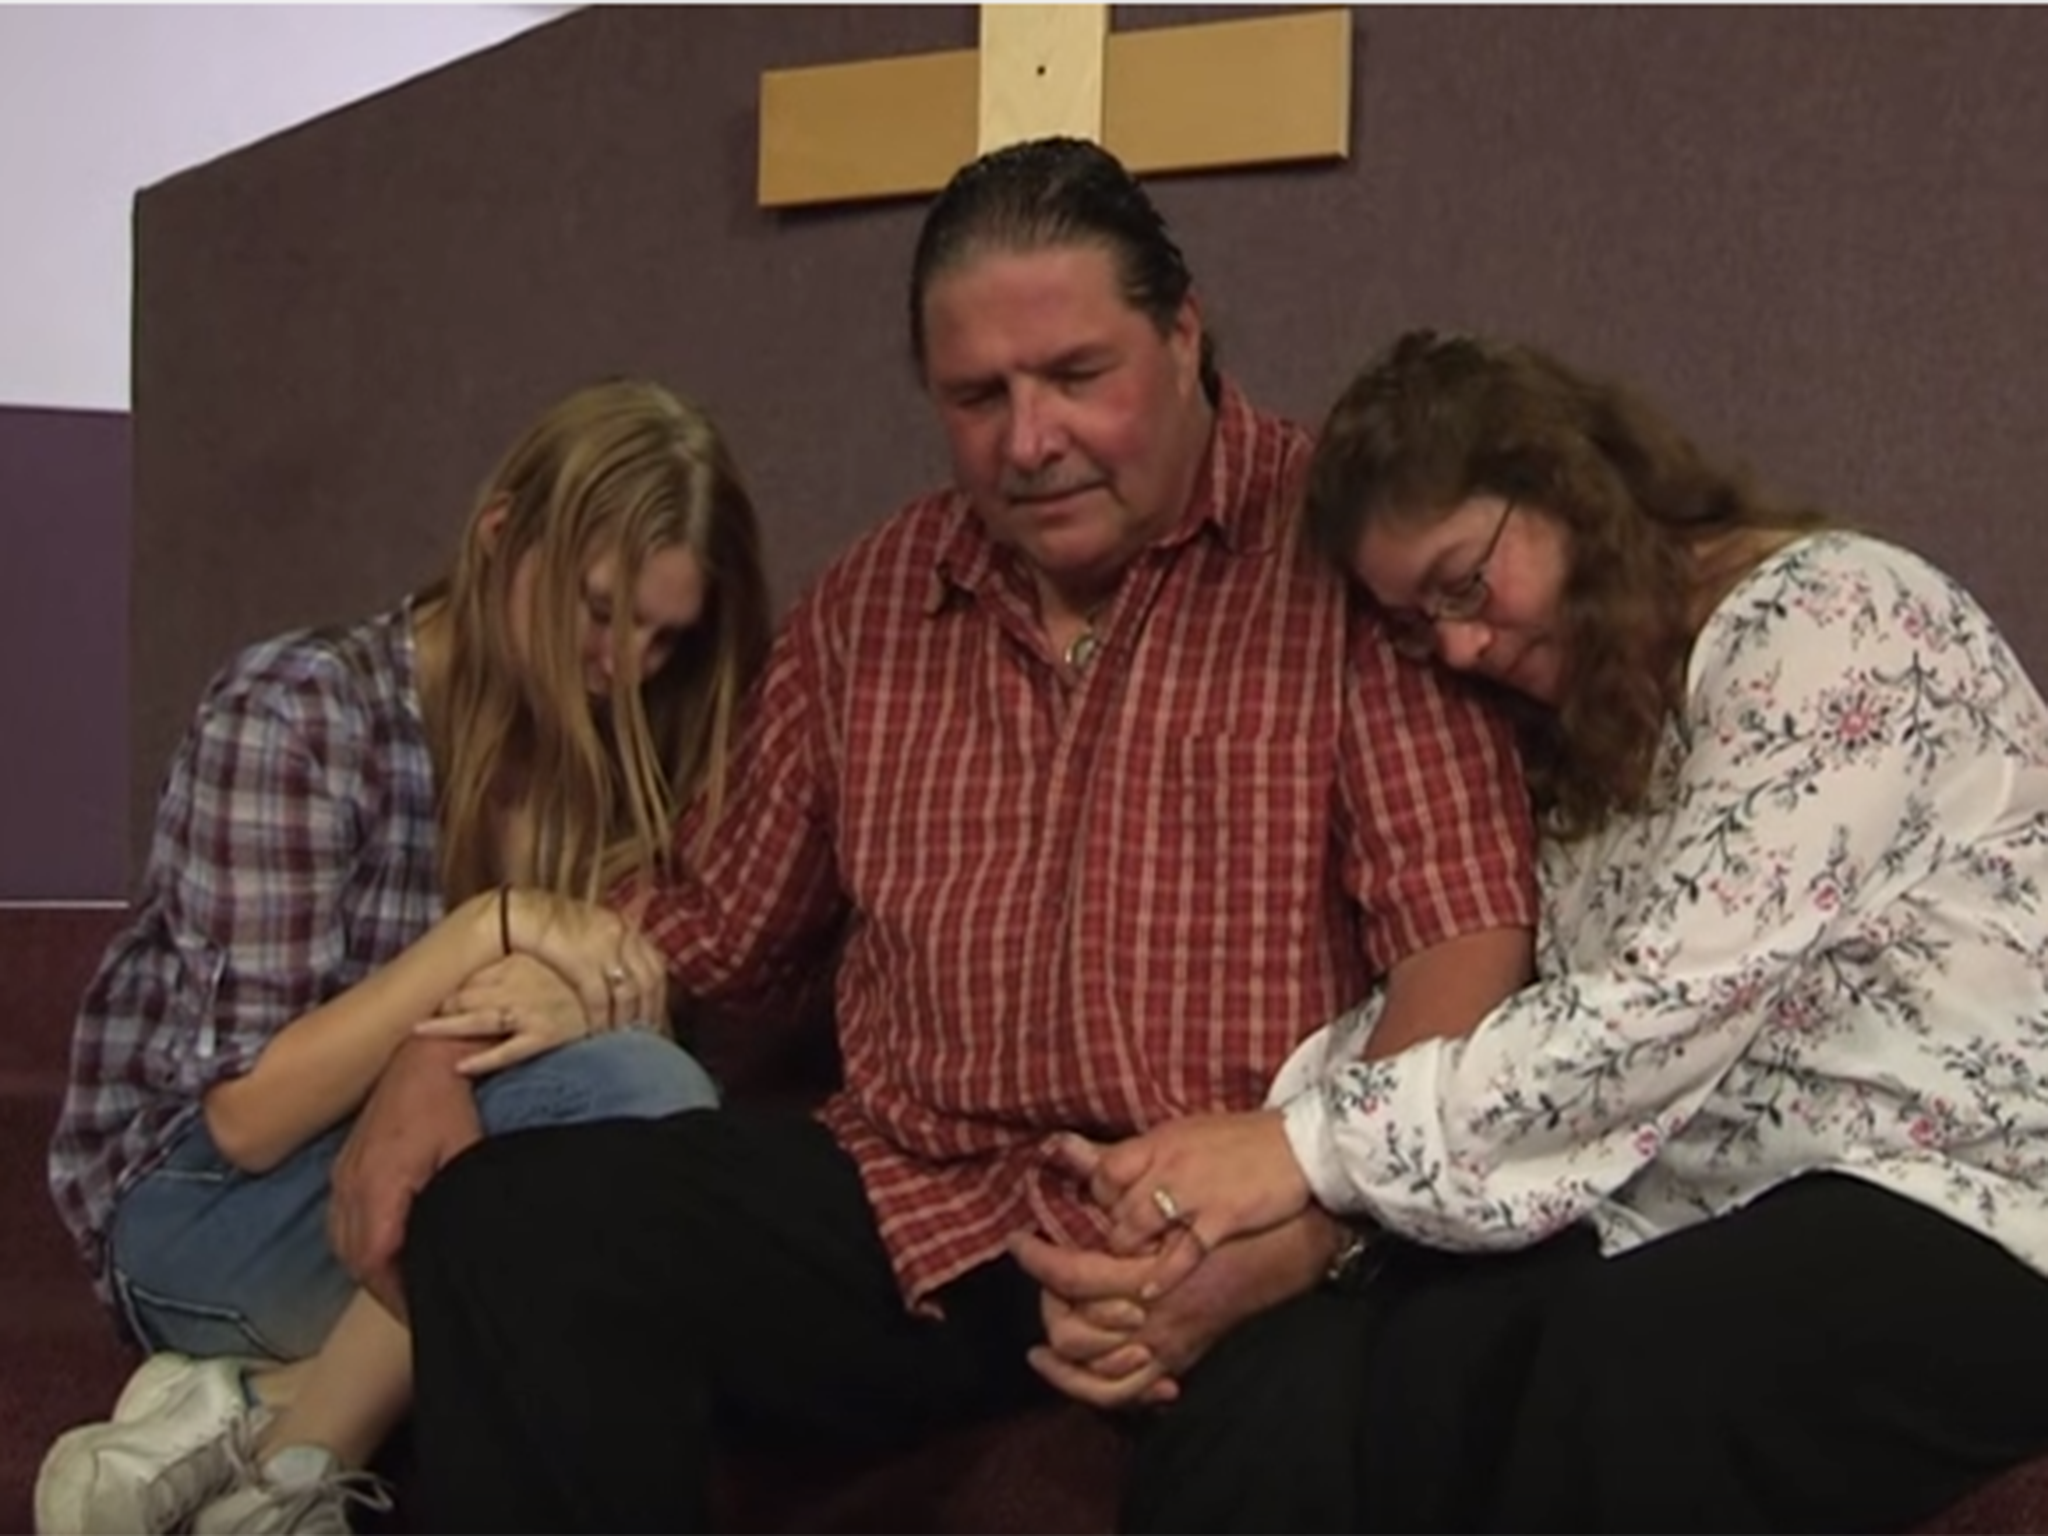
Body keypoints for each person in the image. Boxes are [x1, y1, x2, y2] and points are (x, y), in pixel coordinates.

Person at [350, 139, 1540, 1536]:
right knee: (516, 1226)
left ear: (1184, 333)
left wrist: (1318, 1217)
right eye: (978, 397)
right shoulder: (875, 600)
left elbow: (1465, 942)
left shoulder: (1343, 553)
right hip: (916, 1202)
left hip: (1231, 1207)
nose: (1028, 442)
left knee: (1306, 1442)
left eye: (1077, 377)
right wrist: (442, 1050)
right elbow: (702, 920)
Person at [1063, 329, 2048, 1534]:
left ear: (1567, 486)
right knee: (1359, 1367)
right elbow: (1515, 1001)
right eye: (1418, 625)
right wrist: (1249, 1179)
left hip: (1976, 1205)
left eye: (1463, 585)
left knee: (1619, 1371)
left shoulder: (1836, 621)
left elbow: (1652, 1013)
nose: (1461, 647)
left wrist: (1309, 1148)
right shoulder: (1581, 740)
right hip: (1707, 1215)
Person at [37, 378, 773, 1536]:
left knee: (657, 1190)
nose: (624, 665)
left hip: (439, 1195)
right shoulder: (298, 713)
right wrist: (491, 928)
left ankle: (269, 1432)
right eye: (598, 610)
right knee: (643, 1100)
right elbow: (247, 1114)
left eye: (665, 635)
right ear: (497, 541)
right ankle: (285, 1477)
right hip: (199, 1208)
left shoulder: (634, 747)